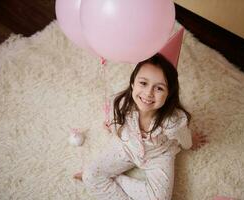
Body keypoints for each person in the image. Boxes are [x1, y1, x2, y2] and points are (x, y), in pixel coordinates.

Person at [73, 28, 207, 200]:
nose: (149, 93)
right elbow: (116, 121)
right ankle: (103, 177)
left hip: (159, 155)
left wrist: (190, 143)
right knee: (90, 174)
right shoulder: (121, 103)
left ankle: (117, 180)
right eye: (143, 83)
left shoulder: (174, 121)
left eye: (159, 88)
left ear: (169, 94)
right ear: (132, 84)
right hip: (128, 147)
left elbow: (183, 138)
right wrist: (113, 128)